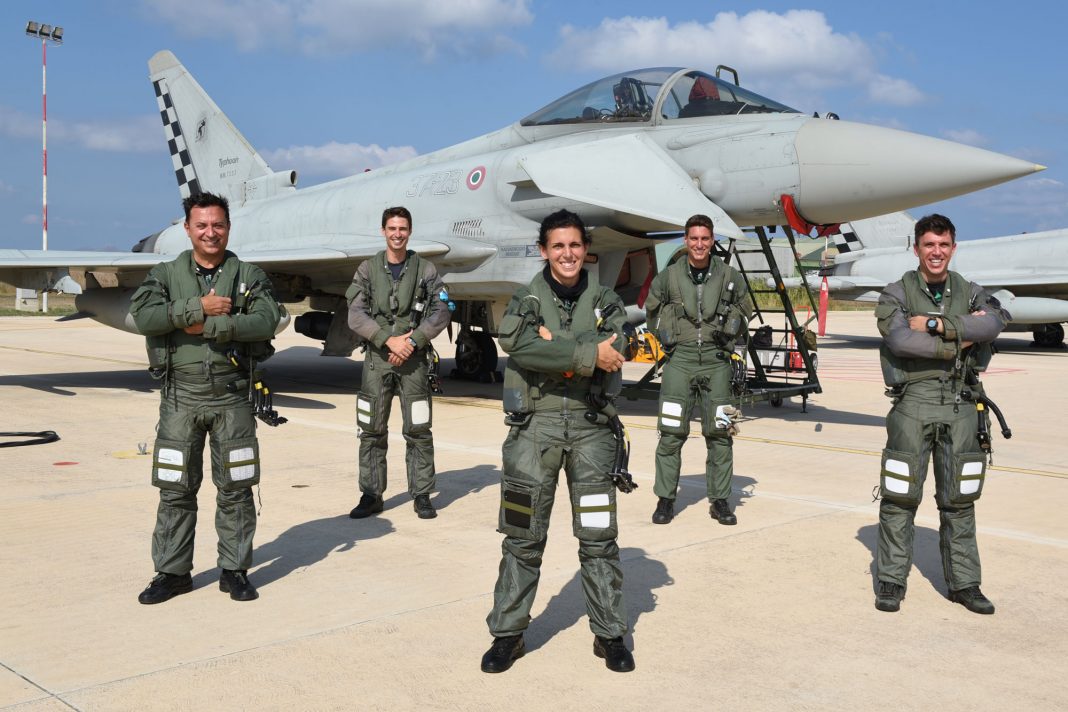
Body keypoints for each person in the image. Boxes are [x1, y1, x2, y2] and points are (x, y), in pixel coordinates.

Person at [481, 209, 635, 674]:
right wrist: (586, 351)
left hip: (591, 429)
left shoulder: (605, 297)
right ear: (544, 250)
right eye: (558, 246)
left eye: (575, 245)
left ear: (585, 250)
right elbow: (518, 344)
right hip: (535, 430)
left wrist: (555, 345)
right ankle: (508, 635)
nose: (567, 254)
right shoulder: (527, 298)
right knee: (522, 537)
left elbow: (618, 346)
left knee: (599, 537)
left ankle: (609, 634)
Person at [130, 192, 282, 604]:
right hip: (181, 397)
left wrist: (215, 326)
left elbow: (268, 319)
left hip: (232, 397)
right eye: (201, 225)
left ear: (228, 228)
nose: (210, 233)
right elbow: (144, 316)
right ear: (187, 229)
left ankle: (234, 570)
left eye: (217, 225)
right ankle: (172, 573)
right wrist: (197, 308)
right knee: (175, 488)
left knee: (236, 487)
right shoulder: (165, 274)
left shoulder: (247, 274)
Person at [873, 213, 1009, 614]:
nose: (937, 252)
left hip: (961, 403)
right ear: (916, 248)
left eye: (944, 244)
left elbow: (994, 323)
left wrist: (935, 324)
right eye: (929, 245)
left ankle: (965, 584)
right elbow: (901, 340)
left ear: (953, 247)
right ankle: (891, 580)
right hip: (913, 404)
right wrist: (959, 339)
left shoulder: (969, 290)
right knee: (899, 496)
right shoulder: (896, 293)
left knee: (960, 499)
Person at [644, 214, 752, 526]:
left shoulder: (729, 275)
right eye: (694, 238)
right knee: (670, 433)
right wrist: (668, 340)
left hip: (717, 362)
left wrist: (731, 333)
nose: (699, 244)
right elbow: (651, 311)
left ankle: (720, 501)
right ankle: (665, 499)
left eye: (705, 239)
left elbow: (745, 307)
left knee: (721, 434)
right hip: (680, 361)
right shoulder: (669, 277)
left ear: (712, 240)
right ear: (686, 240)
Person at [346, 207, 451, 520]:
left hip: (413, 363)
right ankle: (371, 495)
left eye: (402, 228)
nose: (397, 234)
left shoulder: (425, 270)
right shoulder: (367, 269)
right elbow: (355, 314)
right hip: (377, 362)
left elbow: (442, 311)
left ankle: (422, 495)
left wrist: (412, 341)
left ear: (410, 231)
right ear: (383, 231)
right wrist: (387, 340)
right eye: (392, 228)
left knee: (418, 430)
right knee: (371, 430)